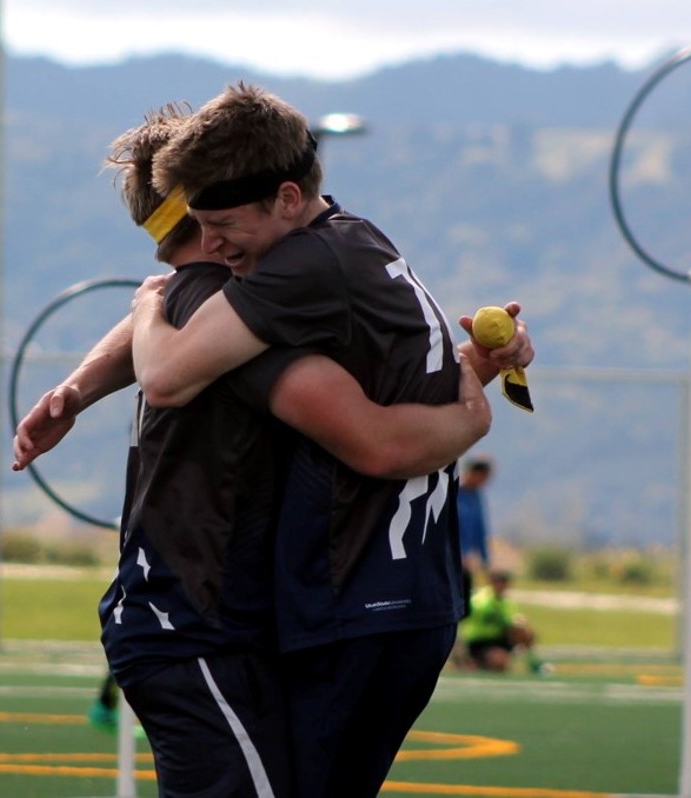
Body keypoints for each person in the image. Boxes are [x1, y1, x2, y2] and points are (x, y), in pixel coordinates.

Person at [13, 104, 493, 798]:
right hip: (211, 628)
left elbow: (170, 339)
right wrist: (469, 409)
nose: (227, 243)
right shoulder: (287, 282)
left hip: (260, 618)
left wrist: (103, 357)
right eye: (212, 226)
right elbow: (377, 439)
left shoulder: (232, 297)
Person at [129, 82, 536, 797]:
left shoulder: (289, 271)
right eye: (206, 224)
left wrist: (142, 309)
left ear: (286, 200)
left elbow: (164, 375)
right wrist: (474, 382)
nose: (223, 248)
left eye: (226, 222)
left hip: (354, 600)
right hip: (398, 596)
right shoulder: (355, 238)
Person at [460, 569, 549, 674]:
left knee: (522, 630)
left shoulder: (507, 603)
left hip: (499, 639)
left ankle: (533, 662)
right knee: (499, 661)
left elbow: (511, 622)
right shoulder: (480, 600)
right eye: (498, 582)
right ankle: (475, 663)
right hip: (481, 641)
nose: (501, 586)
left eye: (503, 583)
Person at [457, 454, 496, 615]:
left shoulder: (477, 497)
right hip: (452, 557)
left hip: (466, 561)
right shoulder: (454, 493)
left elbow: (480, 529)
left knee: (464, 606)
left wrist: (485, 560)